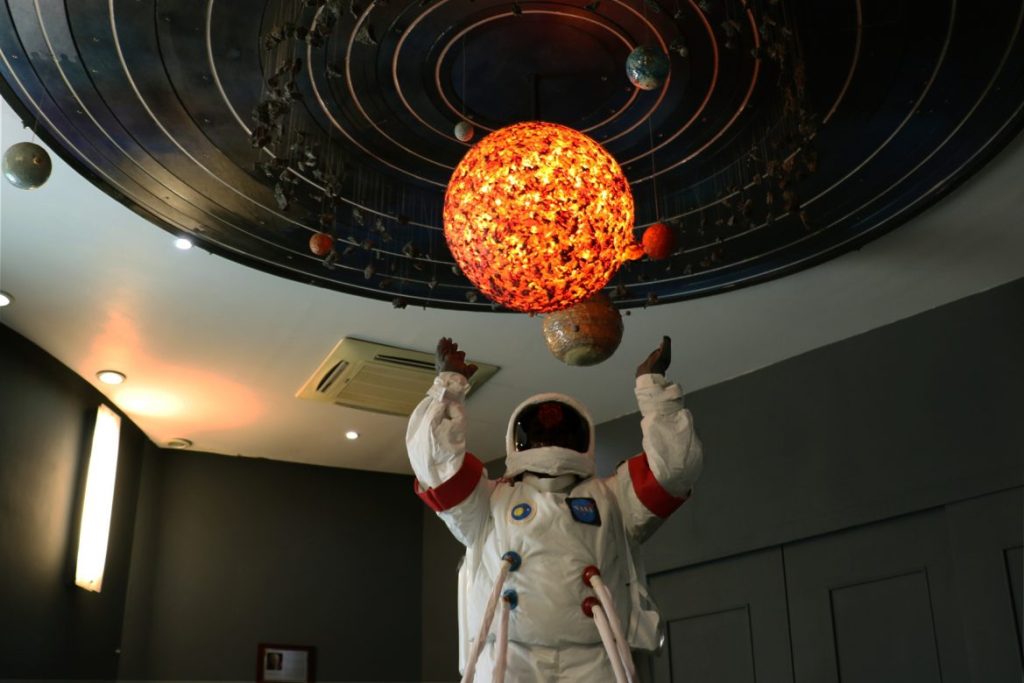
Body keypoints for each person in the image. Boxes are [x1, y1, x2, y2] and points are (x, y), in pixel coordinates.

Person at [407, 336, 703, 682]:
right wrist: (447, 388)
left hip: (595, 656)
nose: (549, 438)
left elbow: (674, 471)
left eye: (559, 431)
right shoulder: (493, 501)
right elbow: (436, 466)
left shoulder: (609, 498)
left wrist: (654, 390)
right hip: (510, 658)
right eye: (539, 432)